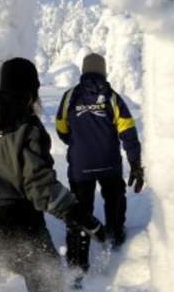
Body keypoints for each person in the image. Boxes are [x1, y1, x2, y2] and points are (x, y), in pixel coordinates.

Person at [0, 57, 105, 292]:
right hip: (13, 220)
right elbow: (41, 187)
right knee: (48, 279)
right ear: (30, 94)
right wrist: (79, 215)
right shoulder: (27, 126)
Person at [55, 53, 144, 280]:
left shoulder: (70, 96)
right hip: (109, 163)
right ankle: (115, 238)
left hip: (80, 166)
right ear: (103, 71)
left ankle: (77, 263)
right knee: (114, 198)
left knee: (79, 209)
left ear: (83, 71)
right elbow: (128, 131)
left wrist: (77, 143)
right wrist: (135, 162)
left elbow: (61, 128)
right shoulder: (112, 97)